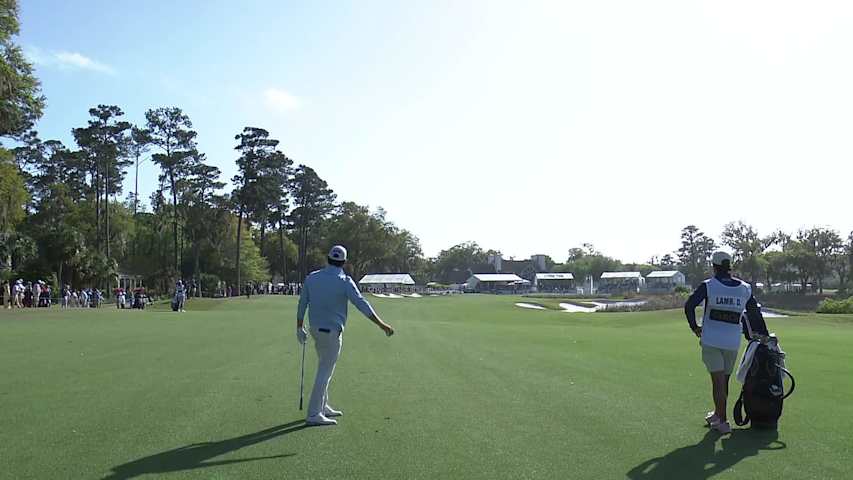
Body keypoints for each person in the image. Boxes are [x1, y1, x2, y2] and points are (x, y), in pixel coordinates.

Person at [296, 245, 395, 426]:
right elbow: (361, 304)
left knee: (324, 367)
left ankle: (323, 406)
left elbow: (303, 302)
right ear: (344, 262)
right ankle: (313, 414)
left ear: (328, 259)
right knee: (324, 372)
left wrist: (299, 327)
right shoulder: (345, 281)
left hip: (315, 330)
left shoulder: (312, 278)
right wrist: (381, 325)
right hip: (332, 333)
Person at [684, 251, 768, 434]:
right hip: (732, 342)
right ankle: (717, 414)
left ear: (714, 266)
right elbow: (754, 313)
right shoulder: (745, 288)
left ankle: (723, 421)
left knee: (718, 383)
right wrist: (765, 335)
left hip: (711, 340)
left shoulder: (708, 286)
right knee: (724, 382)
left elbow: (689, 305)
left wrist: (694, 327)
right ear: (729, 265)